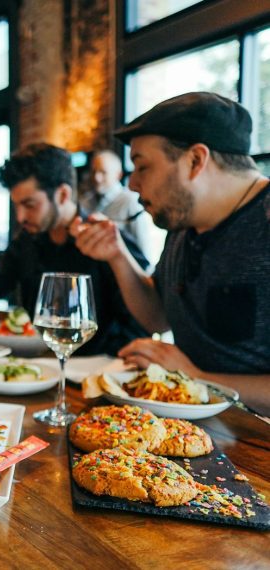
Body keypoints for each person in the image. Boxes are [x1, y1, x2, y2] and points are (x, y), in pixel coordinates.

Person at [72, 91, 270, 411]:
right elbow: (158, 316)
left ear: (195, 160)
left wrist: (196, 377)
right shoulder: (183, 224)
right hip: (193, 427)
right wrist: (117, 255)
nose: (133, 184)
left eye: (142, 167)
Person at [0, 142, 149, 356]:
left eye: (30, 205)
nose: (20, 217)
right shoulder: (26, 242)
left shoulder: (106, 241)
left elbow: (141, 324)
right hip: (38, 366)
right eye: (16, 205)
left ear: (63, 195)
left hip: (94, 373)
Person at [80, 149, 154, 258]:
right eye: (94, 171)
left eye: (103, 172)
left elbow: (144, 250)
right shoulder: (85, 201)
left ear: (118, 175)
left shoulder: (131, 201)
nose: (97, 178)